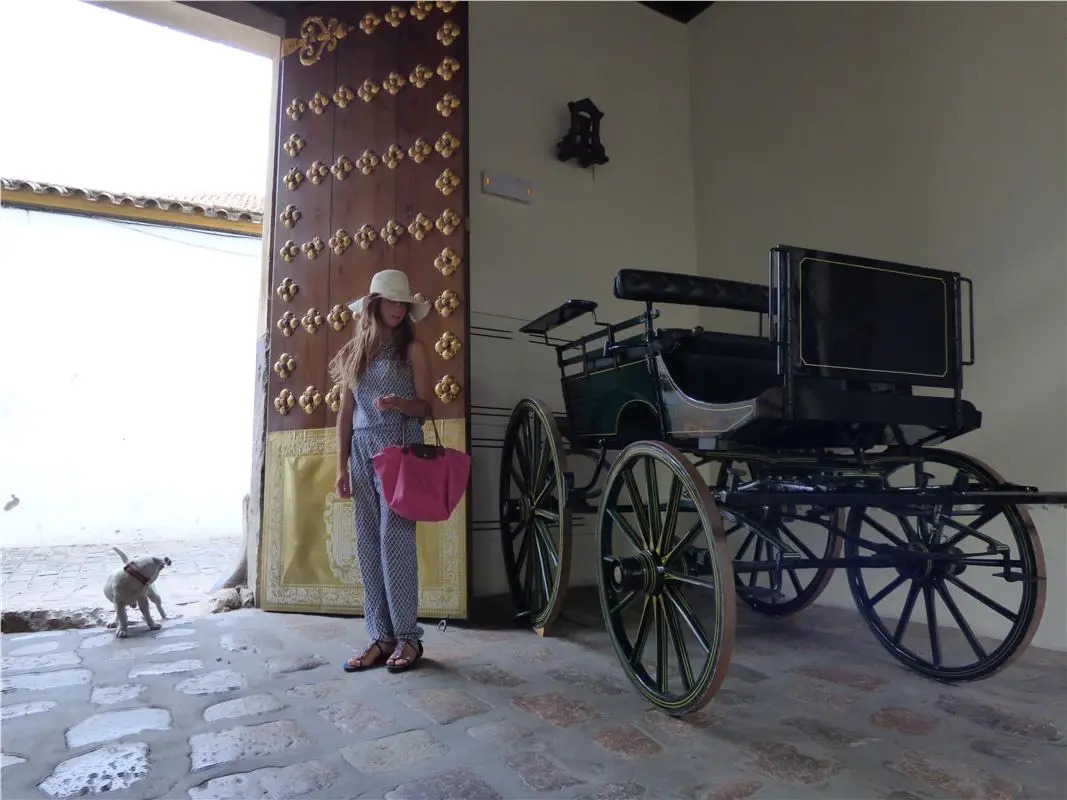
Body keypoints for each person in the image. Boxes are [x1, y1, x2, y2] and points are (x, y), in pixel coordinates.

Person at [329, 268, 433, 673]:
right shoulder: (354, 353)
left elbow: (427, 407)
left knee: (396, 540)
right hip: (360, 451)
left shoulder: (414, 350)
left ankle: (408, 637)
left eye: (401, 303)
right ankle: (381, 635)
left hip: (399, 447)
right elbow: (344, 413)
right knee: (368, 543)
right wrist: (341, 466)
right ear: (373, 305)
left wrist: (399, 404)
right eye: (390, 301)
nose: (396, 309)